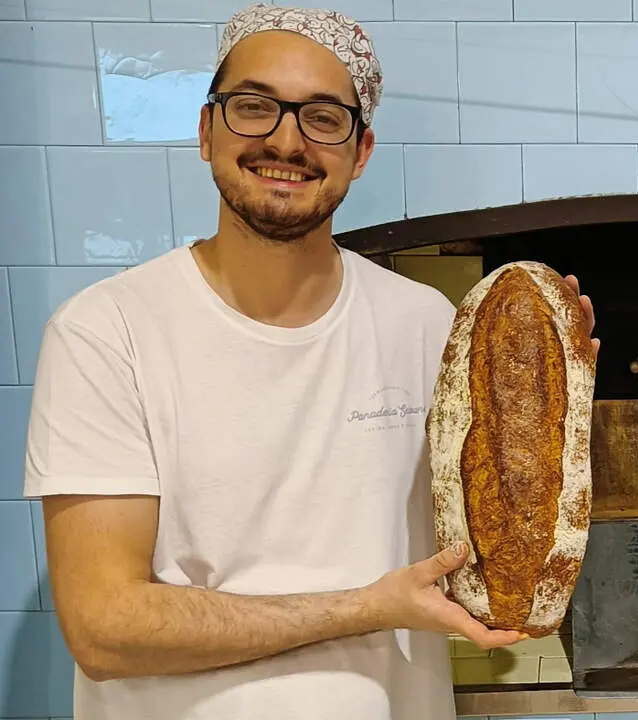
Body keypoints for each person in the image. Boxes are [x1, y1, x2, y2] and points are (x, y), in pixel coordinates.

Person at [22, 5, 598, 720]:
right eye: (255, 108)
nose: (287, 140)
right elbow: (104, 630)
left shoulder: (426, 327)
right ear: (206, 130)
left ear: (361, 152)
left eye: (324, 118)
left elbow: (498, 556)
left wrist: (562, 409)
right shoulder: (107, 333)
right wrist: (364, 607)